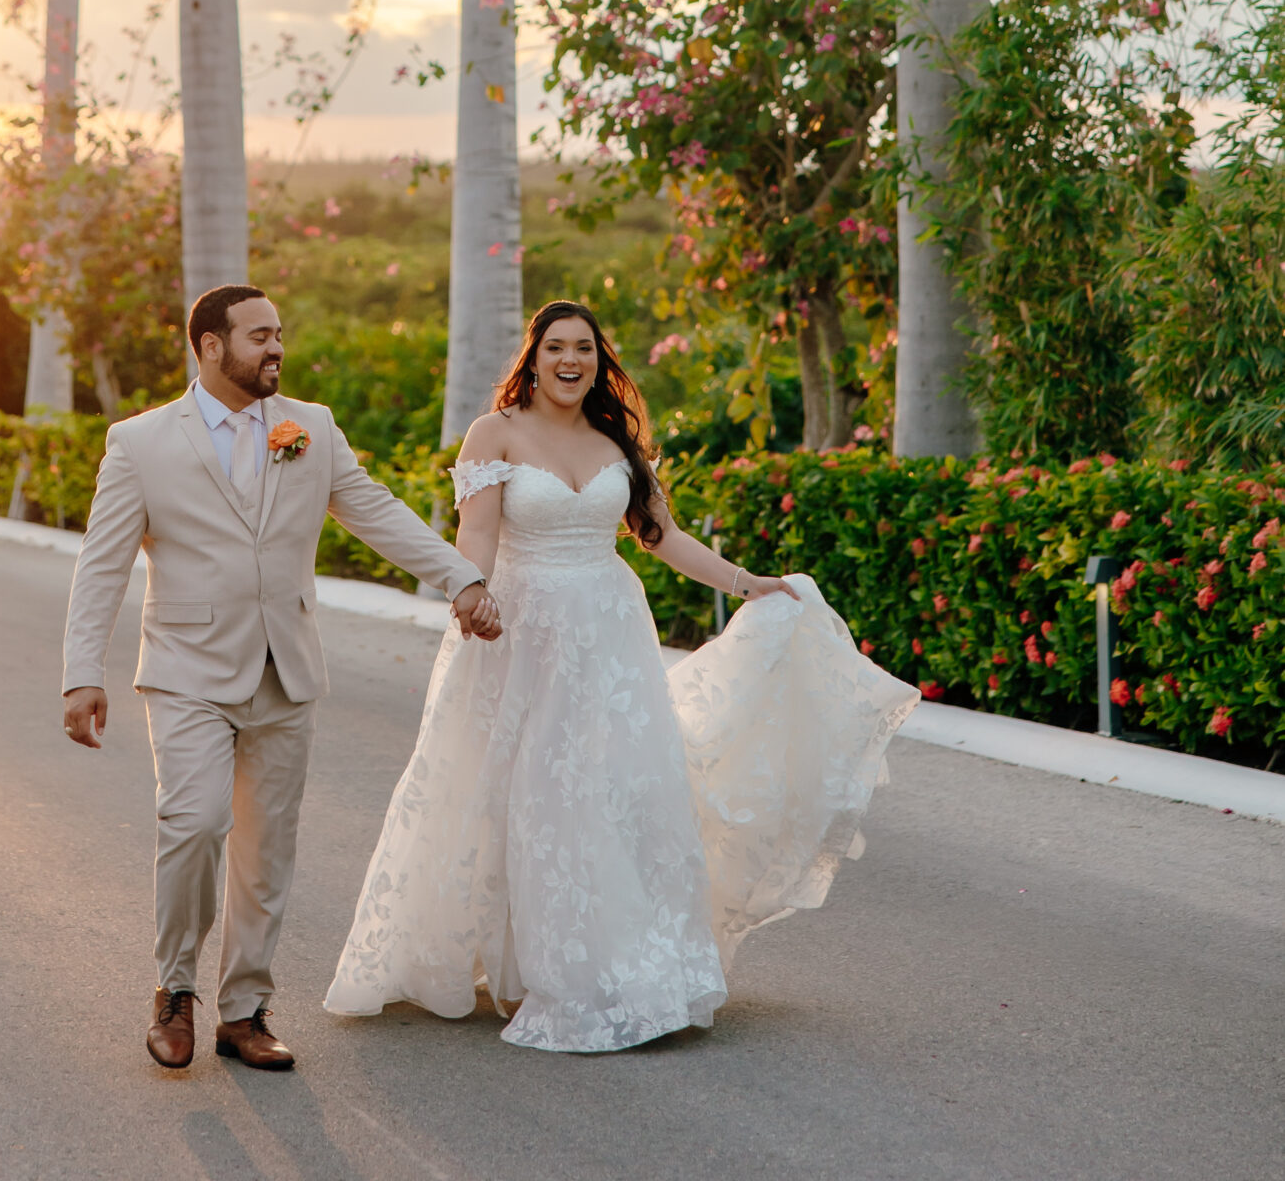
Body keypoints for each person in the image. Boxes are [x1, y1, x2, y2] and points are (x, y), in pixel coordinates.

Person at [325, 298, 917, 1054]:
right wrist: (467, 599)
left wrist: (748, 583)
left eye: (584, 350)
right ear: (531, 359)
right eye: (556, 348)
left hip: (609, 640)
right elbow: (474, 537)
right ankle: (523, 967)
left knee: (608, 790)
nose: (570, 361)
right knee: (526, 790)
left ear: (598, 364)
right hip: (520, 633)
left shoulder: (615, 440)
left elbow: (661, 536)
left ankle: (608, 961)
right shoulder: (493, 434)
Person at [61, 283, 504, 1073]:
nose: (276, 349)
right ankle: (173, 991)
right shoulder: (140, 443)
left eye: (278, 334)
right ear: (208, 347)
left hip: (285, 669)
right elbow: (101, 566)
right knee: (193, 824)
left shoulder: (310, 429)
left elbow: (374, 510)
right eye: (258, 336)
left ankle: (244, 1010)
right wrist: (80, 674)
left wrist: (460, 579)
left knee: (267, 853)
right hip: (187, 670)